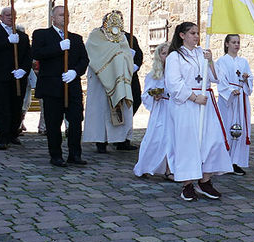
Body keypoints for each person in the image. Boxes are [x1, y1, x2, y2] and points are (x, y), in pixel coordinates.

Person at [165, 21, 231, 201]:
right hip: (186, 105)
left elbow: (216, 78)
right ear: (182, 35)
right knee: (188, 143)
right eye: (192, 33)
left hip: (205, 104)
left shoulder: (203, 54)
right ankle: (187, 184)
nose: (196, 36)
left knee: (212, 140)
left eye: (197, 33)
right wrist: (193, 97)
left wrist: (210, 62)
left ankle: (205, 180)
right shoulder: (175, 57)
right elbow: (173, 82)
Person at [31, 5, 89, 167]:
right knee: (53, 122)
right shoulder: (42, 34)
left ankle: (75, 154)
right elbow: (36, 53)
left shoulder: (76, 38)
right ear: (53, 18)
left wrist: (75, 72)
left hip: (72, 86)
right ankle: (55, 155)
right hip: (52, 86)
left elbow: (84, 60)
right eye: (62, 15)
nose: (65, 18)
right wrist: (58, 47)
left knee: (76, 121)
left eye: (67, 15)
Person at [83, 11, 135, 153]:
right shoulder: (96, 35)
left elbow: (125, 53)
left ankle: (121, 139)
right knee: (100, 110)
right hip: (101, 80)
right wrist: (116, 54)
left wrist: (127, 58)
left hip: (119, 79)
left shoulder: (122, 36)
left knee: (120, 109)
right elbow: (93, 53)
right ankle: (100, 141)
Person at [0, 6, 31, 150]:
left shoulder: (22, 36)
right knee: (2, 106)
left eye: (13, 15)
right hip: (0, 76)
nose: (10, 17)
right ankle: (2, 136)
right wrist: (7, 41)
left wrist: (23, 70)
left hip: (18, 77)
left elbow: (28, 55)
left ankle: (13, 133)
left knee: (17, 105)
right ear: (1, 16)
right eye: (8, 15)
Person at [134, 43, 174, 180]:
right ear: (159, 56)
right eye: (164, 54)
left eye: (169, 53)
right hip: (161, 110)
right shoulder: (153, 75)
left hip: (175, 110)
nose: (167, 56)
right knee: (155, 138)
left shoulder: (177, 73)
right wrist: (155, 96)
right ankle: (144, 166)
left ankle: (170, 169)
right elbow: (145, 94)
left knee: (172, 139)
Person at [216, 34, 253, 175]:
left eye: (238, 42)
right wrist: (231, 91)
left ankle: (236, 161)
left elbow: (250, 77)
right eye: (233, 42)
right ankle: (223, 161)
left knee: (240, 128)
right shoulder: (221, 61)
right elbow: (221, 80)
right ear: (226, 44)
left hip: (241, 99)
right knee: (227, 126)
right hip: (228, 100)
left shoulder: (243, 61)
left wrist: (246, 79)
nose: (236, 45)